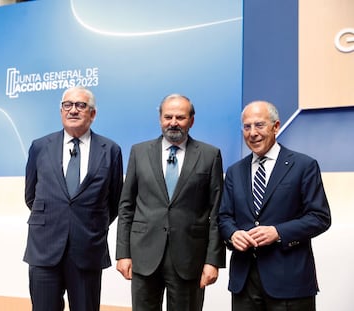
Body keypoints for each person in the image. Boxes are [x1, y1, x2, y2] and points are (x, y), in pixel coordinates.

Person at [116, 94, 226, 311]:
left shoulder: (209, 155)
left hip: (189, 258)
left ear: (191, 120)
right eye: (168, 117)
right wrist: (123, 253)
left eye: (180, 117)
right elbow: (126, 206)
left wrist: (213, 260)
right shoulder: (139, 152)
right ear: (160, 119)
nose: (173, 122)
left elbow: (217, 212)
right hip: (144, 255)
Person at [218, 100, 331, 311]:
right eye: (247, 126)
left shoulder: (304, 165)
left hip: (290, 282)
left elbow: (319, 217)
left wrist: (277, 232)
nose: (252, 133)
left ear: (276, 126)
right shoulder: (234, 171)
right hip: (244, 283)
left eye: (259, 125)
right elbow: (224, 217)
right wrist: (233, 235)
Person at [23, 86, 123, 311]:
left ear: (93, 114)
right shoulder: (40, 147)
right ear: (61, 111)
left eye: (80, 105)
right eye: (67, 105)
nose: (73, 110)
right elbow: (31, 196)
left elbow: (114, 201)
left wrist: (87, 223)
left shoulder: (111, 150)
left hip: (87, 248)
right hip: (44, 249)